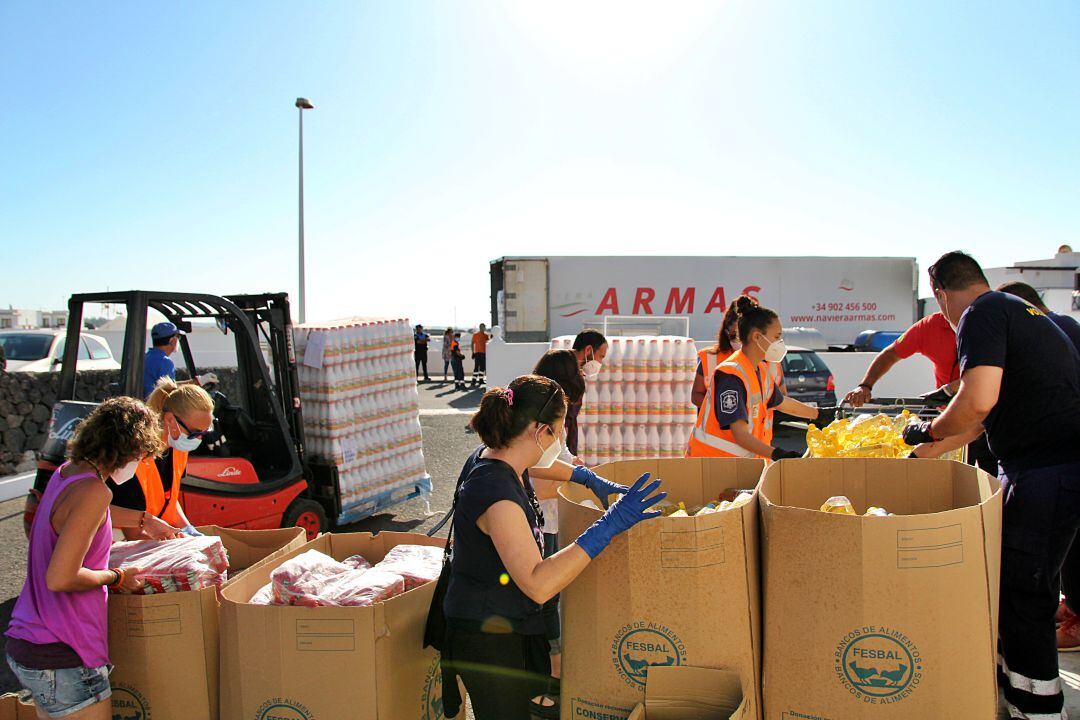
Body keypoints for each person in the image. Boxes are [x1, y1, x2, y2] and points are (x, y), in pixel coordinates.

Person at [901, 252, 1080, 720]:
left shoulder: (981, 313)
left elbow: (976, 400)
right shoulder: (1028, 315)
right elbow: (987, 417)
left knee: (1025, 592)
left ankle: (1037, 708)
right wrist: (928, 452)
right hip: (1055, 468)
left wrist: (930, 430)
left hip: (1046, 471)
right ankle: (1017, 693)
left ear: (940, 293)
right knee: (1022, 586)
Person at [440, 375, 664, 720]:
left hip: (495, 619)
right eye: (559, 431)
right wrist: (609, 525)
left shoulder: (497, 455)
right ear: (539, 431)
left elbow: (540, 464)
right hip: (486, 636)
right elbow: (538, 583)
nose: (561, 439)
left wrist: (587, 478)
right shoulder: (497, 495)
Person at [6, 397, 162, 719]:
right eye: (142, 457)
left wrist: (144, 520)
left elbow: (83, 515)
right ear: (129, 449)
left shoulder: (68, 474)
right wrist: (117, 576)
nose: (140, 464)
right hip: (63, 651)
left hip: (32, 641)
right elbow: (60, 577)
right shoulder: (95, 491)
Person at [998, 282, 1080, 651]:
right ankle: (1073, 607)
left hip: (1063, 455)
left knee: (1071, 544)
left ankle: (1077, 620)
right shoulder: (1060, 327)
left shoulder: (1058, 329)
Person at [841, 310, 998, 472]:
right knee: (958, 476)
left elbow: (992, 373)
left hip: (987, 415)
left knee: (992, 473)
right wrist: (865, 385)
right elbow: (891, 353)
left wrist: (950, 390)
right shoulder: (931, 326)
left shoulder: (988, 323)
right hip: (951, 417)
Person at [528, 350, 595, 686]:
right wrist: (579, 482)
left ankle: (548, 663)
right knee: (544, 595)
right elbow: (539, 483)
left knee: (549, 596)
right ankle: (551, 670)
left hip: (548, 519)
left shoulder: (551, 421)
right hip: (539, 522)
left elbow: (561, 460)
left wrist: (579, 470)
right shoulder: (541, 425)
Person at [686, 298, 819, 460]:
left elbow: (781, 402)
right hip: (713, 463)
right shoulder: (730, 374)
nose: (780, 343)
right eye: (776, 337)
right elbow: (740, 434)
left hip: (738, 464)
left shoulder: (760, 370)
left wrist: (818, 414)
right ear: (757, 337)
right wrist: (778, 454)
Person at [107, 377, 214, 538]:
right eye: (195, 433)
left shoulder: (177, 449)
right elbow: (133, 533)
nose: (199, 440)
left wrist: (187, 528)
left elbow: (168, 500)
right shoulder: (133, 458)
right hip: (118, 541)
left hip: (152, 534)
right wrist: (178, 543)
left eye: (204, 433)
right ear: (170, 420)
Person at [691, 297, 746, 409]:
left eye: (742, 335)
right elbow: (696, 395)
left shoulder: (763, 361)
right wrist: (719, 408)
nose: (739, 340)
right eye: (734, 335)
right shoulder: (710, 359)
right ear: (726, 332)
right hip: (716, 425)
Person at [143, 322, 216, 398]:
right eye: (178, 337)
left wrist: (197, 381)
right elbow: (170, 390)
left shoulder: (146, 357)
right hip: (154, 407)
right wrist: (197, 382)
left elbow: (167, 385)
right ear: (172, 341)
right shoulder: (165, 362)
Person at [566, 330, 608, 456]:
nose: (600, 363)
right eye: (601, 356)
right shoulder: (569, 377)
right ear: (588, 350)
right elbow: (565, 419)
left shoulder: (576, 375)